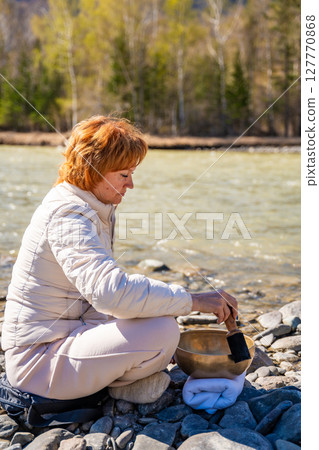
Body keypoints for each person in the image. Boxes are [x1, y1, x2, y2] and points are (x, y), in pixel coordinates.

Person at [2, 116, 238, 402]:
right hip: (39, 364)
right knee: (163, 330)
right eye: (124, 175)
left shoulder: (90, 205)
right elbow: (109, 292)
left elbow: (99, 298)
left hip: (68, 339)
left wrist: (164, 306)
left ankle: (119, 375)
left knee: (155, 312)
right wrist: (195, 301)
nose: (131, 185)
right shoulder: (68, 216)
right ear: (94, 171)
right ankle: (119, 387)